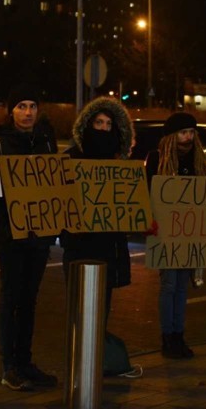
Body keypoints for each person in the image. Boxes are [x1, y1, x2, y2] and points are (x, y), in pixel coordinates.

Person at [0, 84, 59, 392]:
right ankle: (9, 365)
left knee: (30, 299)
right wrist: (3, 221)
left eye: (32, 106)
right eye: (21, 106)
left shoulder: (47, 140)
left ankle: (26, 361)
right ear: (10, 110)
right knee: (10, 298)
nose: (27, 112)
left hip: (39, 234)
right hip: (10, 235)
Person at [60, 96, 134, 324]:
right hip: (79, 246)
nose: (103, 128)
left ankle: (98, 354)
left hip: (108, 246)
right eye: (98, 123)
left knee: (103, 309)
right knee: (79, 309)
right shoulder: (70, 159)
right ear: (88, 125)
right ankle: (80, 357)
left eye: (108, 124)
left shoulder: (119, 164)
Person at [145, 112, 206, 359]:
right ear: (172, 136)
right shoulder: (157, 159)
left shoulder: (197, 161)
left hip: (189, 232)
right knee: (169, 285)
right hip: (165, 233)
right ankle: (167, 336)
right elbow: (149, 193)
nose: (188, 137)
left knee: (182, 285)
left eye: (191, 132)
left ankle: (179, 335)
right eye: (183, 133)